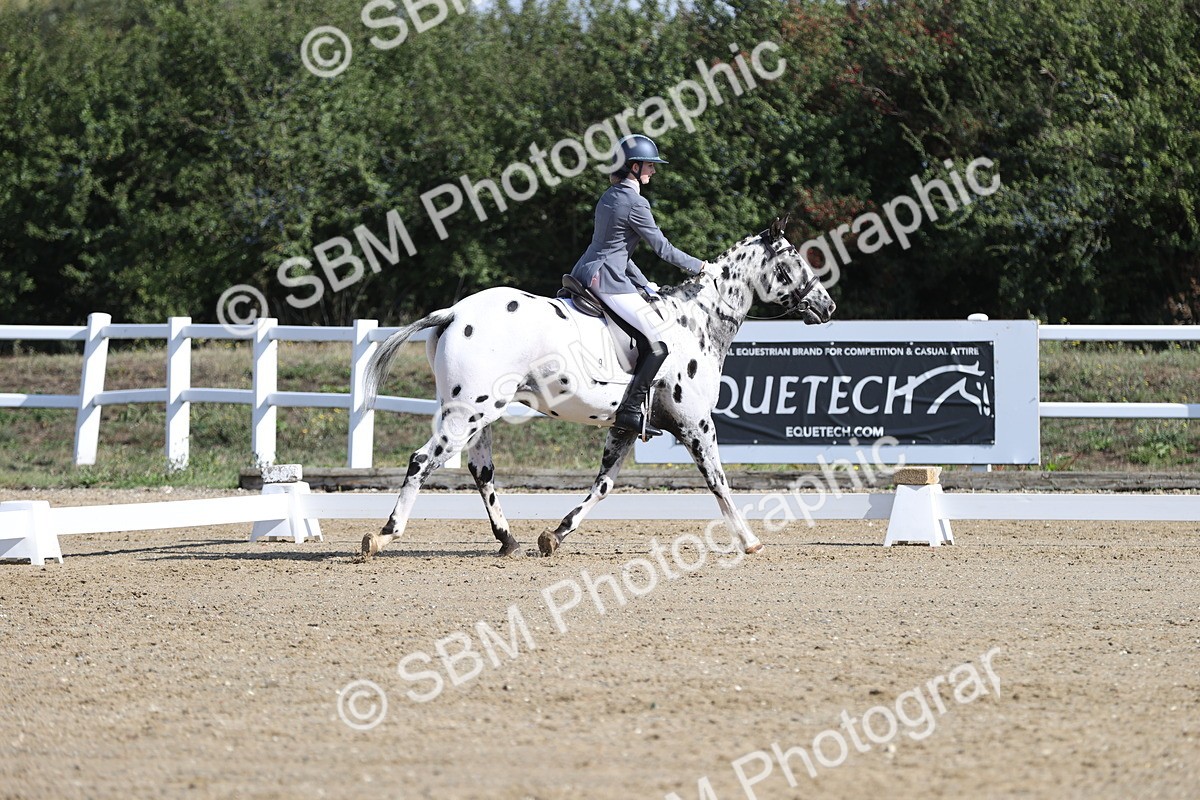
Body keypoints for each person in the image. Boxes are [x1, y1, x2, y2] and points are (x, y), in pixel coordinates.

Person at [570, 134, 717, 438]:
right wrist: (700, 266)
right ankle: (630, 411)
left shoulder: (609, 196)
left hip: (585, 271)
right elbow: (663, 249)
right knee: (658, 344)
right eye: (650, 165)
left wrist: (644, 284)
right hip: (607, 280)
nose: (654, 171)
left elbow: (615, 248)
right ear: (634, 167)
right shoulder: (636, 203)